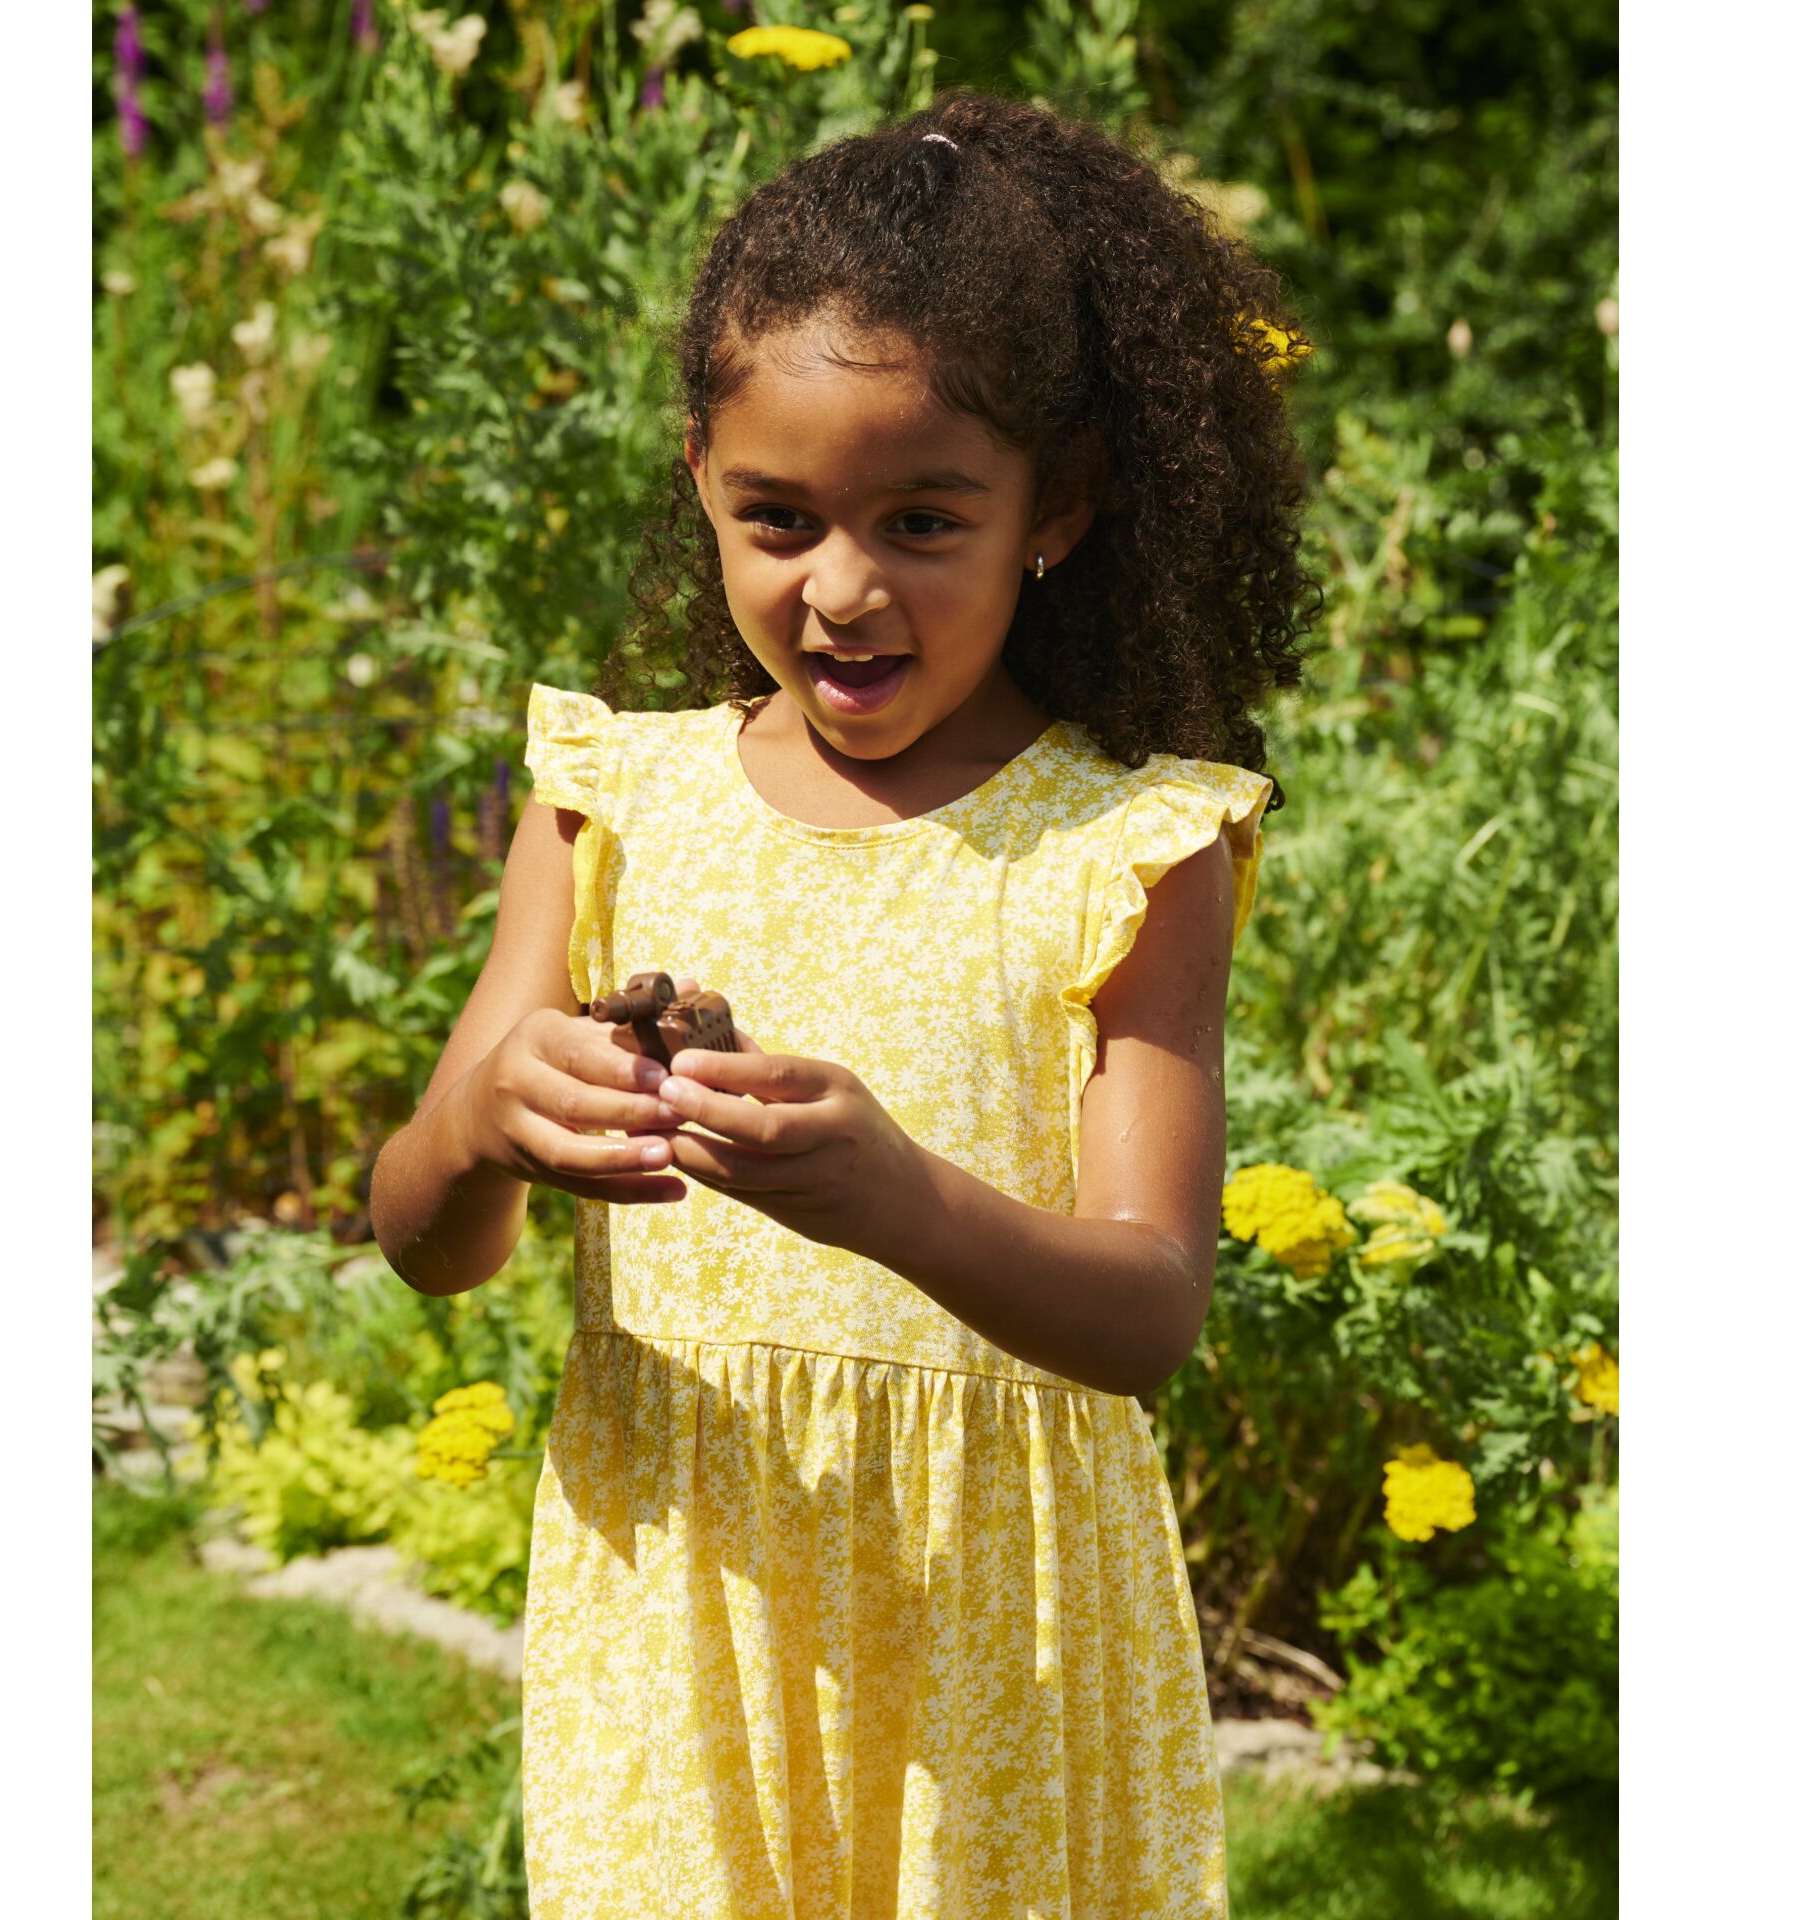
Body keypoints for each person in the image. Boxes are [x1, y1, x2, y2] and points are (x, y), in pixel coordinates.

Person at [371, 86, 1316, 1920]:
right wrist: (487, 1122)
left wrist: (899, 1200)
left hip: (998, 1646)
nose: (843, 589)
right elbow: (424, 1237)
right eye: (779, 519)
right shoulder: (609, 802)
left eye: (925, 520)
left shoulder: (1129, 845)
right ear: (707, 496)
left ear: (1062, 508)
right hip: (685, 1616)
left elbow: (1148, 1313)